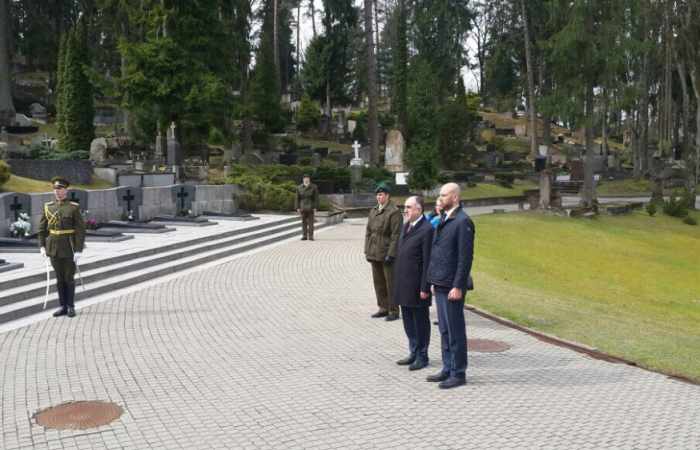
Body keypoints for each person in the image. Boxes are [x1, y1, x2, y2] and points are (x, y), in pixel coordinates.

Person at [426, 182, 475, 389]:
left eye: (444, 195)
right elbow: (438, 252)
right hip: (440, 283)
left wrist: (458, 285)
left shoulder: (463, 221)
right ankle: (447, 367)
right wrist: (432, 280)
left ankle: (458, 372)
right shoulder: (445, 218)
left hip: (452, 286)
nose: (441, 198)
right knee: (445, 330)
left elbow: (465, 258)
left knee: (455, 330)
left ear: (455, 197)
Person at [392, 196, 433, 370]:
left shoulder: (427, 229)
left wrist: (425, 287)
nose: (405, 210)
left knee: (420, 322)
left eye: (409, 207)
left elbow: (428, 261)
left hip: (417, 286)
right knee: (408, 320)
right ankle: (413, 351)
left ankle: (422, 356)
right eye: (405, 207)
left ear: (419, 209)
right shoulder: (406, 226)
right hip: (404, 283)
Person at [38, 177, 86, 318]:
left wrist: (78, 250)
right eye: (55, 189)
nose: (58, 192)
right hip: (53, 248)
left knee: (69, 278)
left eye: (60, 189)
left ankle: (71, 306)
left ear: (66, 190)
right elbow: (42, 230)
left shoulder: (73, 207)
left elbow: (80, 231)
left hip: (69, 247)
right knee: (59, 279)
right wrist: (41, 246)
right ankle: (62, 306)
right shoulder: (48, 207)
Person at [364, 183, 402, 321]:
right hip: (374, 252)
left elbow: (396, 235)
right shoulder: (373, 210)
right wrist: (367, 251)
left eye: (381, 195)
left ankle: (393, 310)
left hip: (387, 253)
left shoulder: (394, 212)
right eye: (377, 195)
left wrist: (391, 254)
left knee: (390, 283)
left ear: (387, 195)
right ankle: (383, 307)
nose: (379, 197)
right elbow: (368, 232)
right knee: (378, 282)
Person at [295, 174, 319, 241]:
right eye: (305, 178)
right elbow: (297, 198)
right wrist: (297, 207)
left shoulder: (314, 187)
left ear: (309, 179)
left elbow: (316, 198)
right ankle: (304, 236)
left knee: (311, 222)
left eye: (307, 178)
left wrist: (315, 207)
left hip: (311, 207)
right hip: (302, 207)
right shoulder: (299, 187)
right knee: (303, 222)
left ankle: (311, 236)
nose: (306, 180)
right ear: (303, 180)